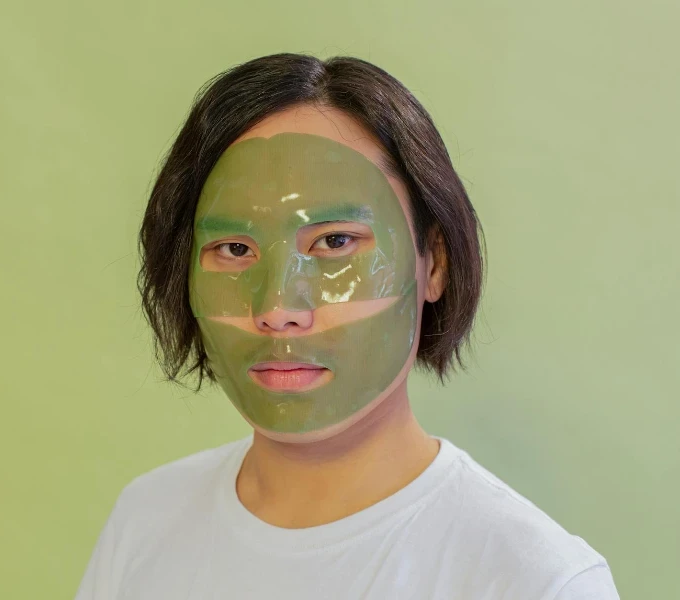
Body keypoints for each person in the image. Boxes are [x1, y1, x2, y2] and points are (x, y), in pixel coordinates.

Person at [75, 53, 619, 599]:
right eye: (235, 249)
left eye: (335, 243)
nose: (278, 307)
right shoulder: (146, 519)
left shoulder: (537, 580)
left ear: (435, 262)